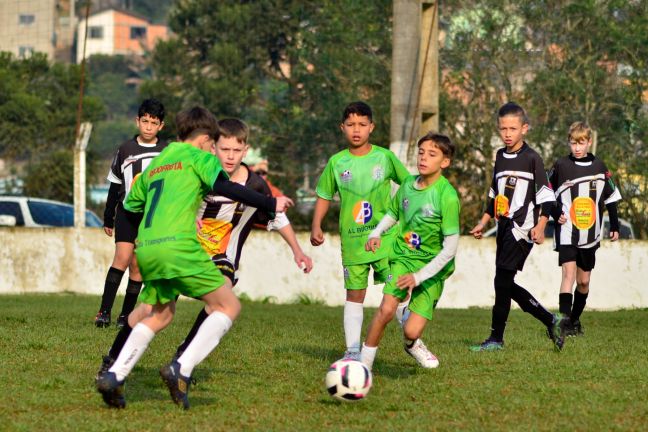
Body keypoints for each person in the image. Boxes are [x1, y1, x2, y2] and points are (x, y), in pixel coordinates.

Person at [95, 106, 293, 409]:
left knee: (161, 313)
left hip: (147, 247)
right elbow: (225, 186)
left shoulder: (160, 161)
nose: (214, 149)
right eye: (214, 143)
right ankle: (181, 368)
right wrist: (270, 201)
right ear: (204, 138)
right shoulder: (199, 157)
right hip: (179, 246)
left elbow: (132, 206)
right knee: (227, 305)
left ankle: (115, 375)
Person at [310, 101, 410, 360]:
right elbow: (323, 195)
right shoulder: (336, 162)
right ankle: (352, 351)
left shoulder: (384, 157)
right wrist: (316, 225)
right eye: (351, 125)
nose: (357, 130)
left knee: (397, 288)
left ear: (371, 127)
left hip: (386, 238)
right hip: (353, 241)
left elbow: (409, 184)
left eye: (362, 125)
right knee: (355, 294)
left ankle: (413, 338)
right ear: (342, 128)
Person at [468, 102, 568, 352]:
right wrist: (483, 222)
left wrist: (541, 225)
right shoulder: (500, 156)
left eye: (513, 128)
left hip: (522, 228)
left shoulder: (532, 158)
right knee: (503, 282)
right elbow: (494, 193)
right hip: (503, 227)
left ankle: (497, 339)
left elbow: (546, 196)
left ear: (525, 128)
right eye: (503, 129)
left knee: (502, 281)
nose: (507, 133)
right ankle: (550, 321)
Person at [360, 133, 460, 370]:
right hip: (403, 257)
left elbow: (450, 249)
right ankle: (363, 365)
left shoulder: (447, 197)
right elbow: (393, 213)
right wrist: (376, 233)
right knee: (385, 309)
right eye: (421, 152)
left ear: (445, 162)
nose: (424, 158)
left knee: (411, 330)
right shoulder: (407, 184)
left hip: (432, 268)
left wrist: (419, 277)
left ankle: (412, 342)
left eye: (432, 154)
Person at [95, 98, 168, 328]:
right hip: (127, 213)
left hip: (152, 217)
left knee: (137, 266)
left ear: (161, 126)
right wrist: (109, 216)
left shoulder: (166, 151)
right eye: (144, 121)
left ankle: (125, 316)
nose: (148, 127)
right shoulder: (126, 149)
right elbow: (115, 184)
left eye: (153, 123)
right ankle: (104, 312)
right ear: (137, 121)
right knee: (122, 258)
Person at [548, 121, 622, 336]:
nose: (577, 148)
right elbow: (546, 193)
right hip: (567, 231)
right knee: (568, 276)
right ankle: (561, 326)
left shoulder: (599, 167)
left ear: (589, 142)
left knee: (583, 281)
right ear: (569, 143)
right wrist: (555, 214)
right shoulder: (561, 166)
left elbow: (612, 197)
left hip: (591, 233)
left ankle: (574, 321)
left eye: (581, 143)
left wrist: (615, 225)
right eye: (573, 143)